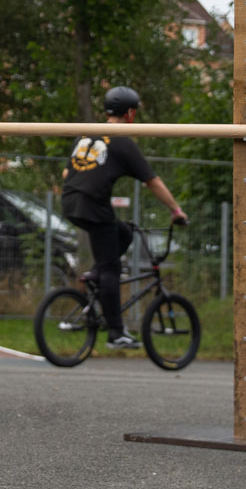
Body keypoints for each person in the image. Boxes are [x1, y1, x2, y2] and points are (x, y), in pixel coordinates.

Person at [61, 86, 188, 351]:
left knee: (125, 232)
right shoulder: (122, 142)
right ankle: (116, 333)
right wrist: (175, 210)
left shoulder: (86, 133)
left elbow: (66, 174)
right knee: (112, 270)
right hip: (94, 207)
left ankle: (96, 272)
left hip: (70, 202)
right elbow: (153, 182)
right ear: (130, 113)